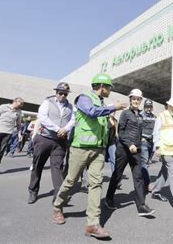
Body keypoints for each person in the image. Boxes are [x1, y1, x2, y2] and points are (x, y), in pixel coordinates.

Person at [52, 73, 127, 240]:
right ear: (101, 86)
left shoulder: (103, 104)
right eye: (108, 87)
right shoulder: (84, 98)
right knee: (71, 181)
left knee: (96, 184)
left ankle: (93, 224)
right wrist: (113, 107)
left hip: (99, 149)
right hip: (81, 148)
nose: (109, 90)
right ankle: (58, 207)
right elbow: (92, 112)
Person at [105, 89, 155, 216]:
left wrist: (140, 140)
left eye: (138, 99)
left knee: (138, 177)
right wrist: (130, 144)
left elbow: (138, 131)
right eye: (134, 99)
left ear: (140, 101)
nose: (136, 101)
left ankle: (141, 206)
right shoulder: (125, 114)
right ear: (130, 100)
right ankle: (109, 198)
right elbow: (120, 132)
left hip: (136, 150)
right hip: (123, 150)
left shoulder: (140, 115)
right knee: (117, 174)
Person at [28, 82, 75, 204]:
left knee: (58, 167)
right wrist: (57, 129)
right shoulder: (47, 102)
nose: (63, 96)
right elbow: (43, 117)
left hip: (60, 141)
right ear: (56, 93)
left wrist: (65, 129)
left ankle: (58, 195)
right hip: (45, 138)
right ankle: (33, 191)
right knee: (38, 165)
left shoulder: (70, 107)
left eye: (65, 94)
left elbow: (73, 120)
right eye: (61, 93)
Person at [140, 99, 156, 190]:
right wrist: (141, 138)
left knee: (147, 162)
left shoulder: (155, 117)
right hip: (144, 142)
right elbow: (138, 128)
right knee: (145, 161)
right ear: (144, 107)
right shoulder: (140, 116)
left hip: (152, 142)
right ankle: (147, 184)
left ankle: (142, 178)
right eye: (147, 107)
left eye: (150, 107)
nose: (148, 109)